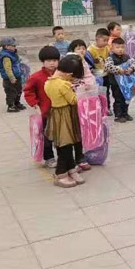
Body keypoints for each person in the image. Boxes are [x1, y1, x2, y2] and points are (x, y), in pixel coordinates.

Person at [44, 56, 86, 188]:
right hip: (65, 115)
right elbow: (73, 100)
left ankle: (71, 169)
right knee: (66, 146)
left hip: (56, 113)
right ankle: (61, 174)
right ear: (68, 74)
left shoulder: (48, 82)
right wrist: (78, 91)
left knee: (63, 145)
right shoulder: (64, 84)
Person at [24, 46, 61, 168]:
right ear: (43, 61)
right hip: (45, 113)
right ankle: (49, 157)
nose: (52, 63)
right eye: (49, 60)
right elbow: (28, 91)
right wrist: (34, 103)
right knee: (46, 137)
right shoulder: (36, 77)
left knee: (61, 136)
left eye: (55, 60)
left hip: (61, 112)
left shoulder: (62, 75)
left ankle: (62, 156)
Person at [105, 37, 135, 123]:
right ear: (112, 48)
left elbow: (133, 63)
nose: (120, 49)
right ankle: (118, 115)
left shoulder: (127, 57)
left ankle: (125, 113)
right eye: (117, 47)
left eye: (122, 47)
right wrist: (118, 70)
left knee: (126, 98)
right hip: (116, 84)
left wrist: (131, 69)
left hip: (126, 83)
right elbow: (108, 67)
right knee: (118, 99)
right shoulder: (110, 58)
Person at [0, 37, 25, 113]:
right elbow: (8, 68)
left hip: (17, 76)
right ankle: (11, 106)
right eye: (13, 46)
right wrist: (11, 77)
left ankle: (17, 103)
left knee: (18, 90)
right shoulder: (6, 57)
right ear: (7, 46)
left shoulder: (12, 54)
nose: (15, 47)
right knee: (11, 92)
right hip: (9, 79)